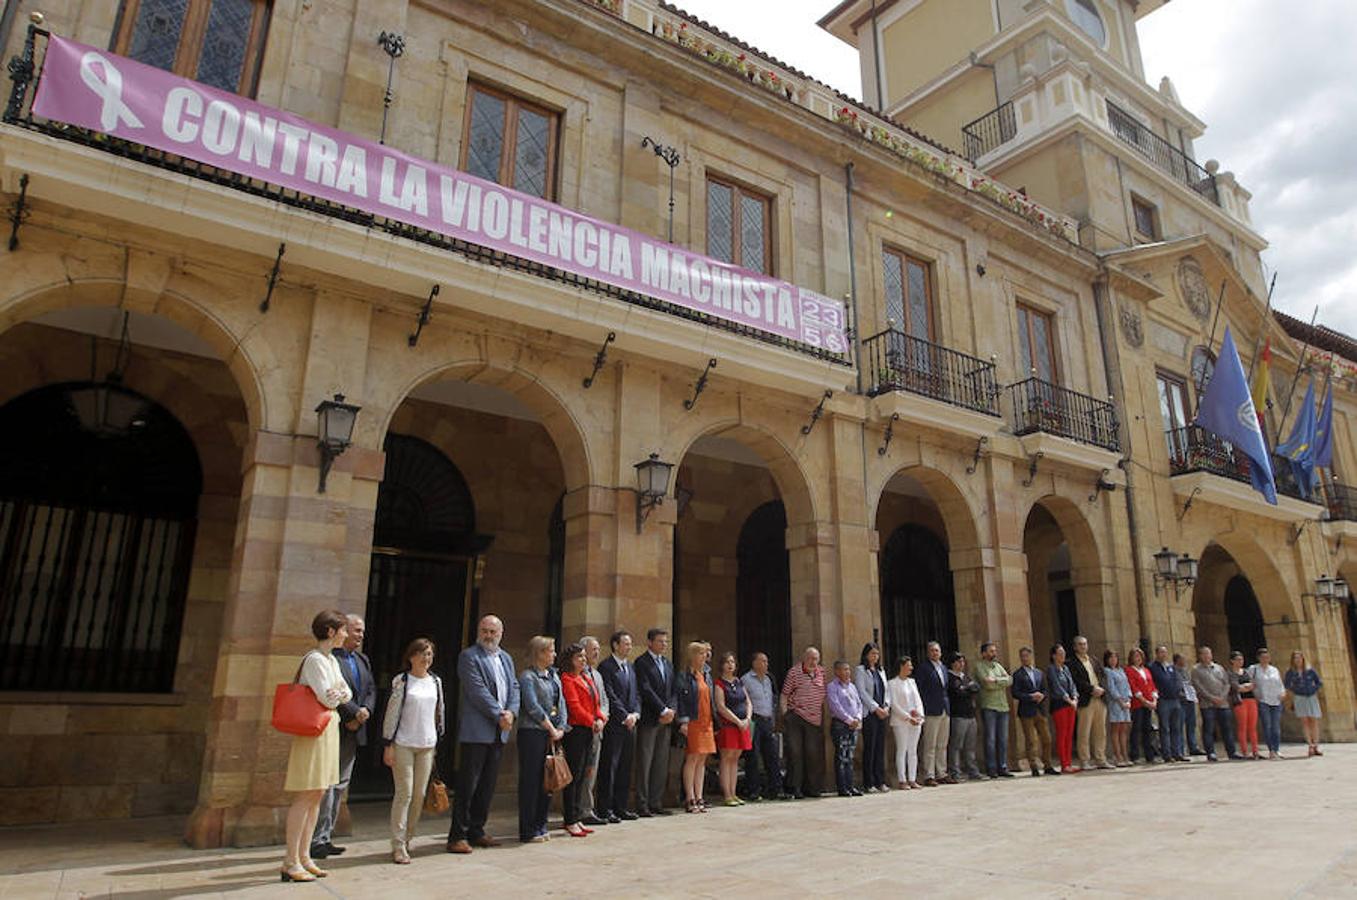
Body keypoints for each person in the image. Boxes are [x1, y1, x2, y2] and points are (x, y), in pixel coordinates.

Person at [281, 610, 352, 883]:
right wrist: (337, 694)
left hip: (327, 730)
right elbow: (330, 697)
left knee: (317, 794)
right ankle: (290, 859)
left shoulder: (331, 660)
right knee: (306, 795)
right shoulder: (314, 660)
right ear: (331, 631)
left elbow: (346, 693)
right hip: (314, 732)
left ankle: (303, 855)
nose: (345, 635)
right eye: (342, 629)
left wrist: (338, 694)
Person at [447, 615, 519, 854]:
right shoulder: (469, 656)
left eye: (493, 631)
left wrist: (512, 712)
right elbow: (477, 691)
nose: (489, 635)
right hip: (477, 731)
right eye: (484, 630)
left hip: (499, 732)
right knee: (468, 784)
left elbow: (514, 687)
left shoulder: (506, 658)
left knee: (487, 785)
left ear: (501, 633)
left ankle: (477, 830)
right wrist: (500, 714)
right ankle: (458, 835)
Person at [311, 613, 373, 862]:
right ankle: (316, 839)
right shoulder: (329, 658)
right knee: (325, 785)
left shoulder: (362, 659)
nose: (358, 635)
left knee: (340, 785)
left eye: (361, 631)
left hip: (355, 728)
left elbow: (368, 690)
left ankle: (326, 836)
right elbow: (332, 693)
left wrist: (365, 710)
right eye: (355, 630)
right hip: (336, 726)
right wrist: (352, 712)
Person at [381, 637, 445, 864]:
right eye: (421, 653)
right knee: (404, 793)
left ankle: (408, 838)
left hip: (427, 744)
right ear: (411, 656)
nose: (426, 658)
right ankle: (397, 843)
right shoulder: (402, 680)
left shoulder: (435, 681)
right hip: (404, 743)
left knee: (419, 795)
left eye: (429, 654)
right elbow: (392, 713)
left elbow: (439, 712)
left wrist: (438, 740)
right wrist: (387, 743)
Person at [517, 636, 566, 843]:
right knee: (532, 781)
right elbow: (531, 706)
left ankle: (541, 823)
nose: (554, 654)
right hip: (533, 733)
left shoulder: (554, 676)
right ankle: (528, 829)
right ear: (540, 653)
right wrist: (550, 726)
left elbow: (561, 702)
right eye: (551, 651)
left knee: (548, 781)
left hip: (552, 734)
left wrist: (561, 727)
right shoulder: (528, 677)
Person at [560, 641, 605, 837]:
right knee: (574, 775)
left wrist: (600, 718)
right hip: (577, 730)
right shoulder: (567, 678)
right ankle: (570, 818)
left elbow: (596, 702)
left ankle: (577, 816)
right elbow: (574, 706)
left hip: (590, 729)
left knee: (583, 775)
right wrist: (592, 721)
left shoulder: (586, 678)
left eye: (583, 657)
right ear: (570, 660)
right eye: (579, 657)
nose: (583, 660)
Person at [596, 630, 640, 822]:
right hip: (615, 724)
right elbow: (610, 695)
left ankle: (621, 807)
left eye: (630, 644)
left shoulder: (630, 667)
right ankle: (605, 809)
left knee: (625, 767)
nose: (629, 647)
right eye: (626, 644)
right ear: (615, 645)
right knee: (610, 767)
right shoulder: (606, 666)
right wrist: (624, 715)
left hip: (630, 724)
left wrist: (635, 714)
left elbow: (636, 694)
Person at [633, 628, 678, 816]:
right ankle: (642, 803)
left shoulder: (668, 664)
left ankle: (655, 801)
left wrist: (672, 709)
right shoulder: (641, 662)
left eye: (666, 642)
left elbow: (674, 690)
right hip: (650, 718)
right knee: (645, 762)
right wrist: (662, 709)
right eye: (660, 641)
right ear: (650, 642)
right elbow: (645, 689)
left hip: (666, 719)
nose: (664, 645)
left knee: (661, 761)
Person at [781, 647, 827, 799]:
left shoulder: (822, 672)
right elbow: (784, 694)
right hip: (796, 717)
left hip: (814, 719)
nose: (813, 662)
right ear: (804, 658)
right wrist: (785, 714)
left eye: (816, 659)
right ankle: (795, 788)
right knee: (796, 753)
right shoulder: (794, 672)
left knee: (813, 754)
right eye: (811, 658)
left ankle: (812, 788)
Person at [676, 641, 717, 813]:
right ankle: (690, 797)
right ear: (693, 656)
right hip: (693, 722)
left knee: (702, 761)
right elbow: (681, 700)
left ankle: (699, 796)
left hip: (706, 722)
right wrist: (683, 721)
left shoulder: (704, 675)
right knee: (692, 759)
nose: (704, 657)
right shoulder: (684, 676)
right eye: (701, 654)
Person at [741, 652, 786, 801]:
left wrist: (774, 720)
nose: (766, 664)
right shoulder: (746, 680)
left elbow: (773, 700)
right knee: (753, 756)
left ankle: (776, 788)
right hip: (754, 720)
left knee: (772, 756)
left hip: (767, 720)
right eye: (763, 661)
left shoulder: (768, 679)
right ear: (754, 663)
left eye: (767, 662)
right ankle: (753, 790)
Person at [578, 636, 612, 827]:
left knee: (592, 770)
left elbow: (604, 701)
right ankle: (578, 809)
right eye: (593, 650)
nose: (596, 653)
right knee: (581, 771)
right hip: (582, 729)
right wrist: (592, 720)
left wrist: (602, 718)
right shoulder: (575, 674)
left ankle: (587, 809)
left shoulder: (597, 675)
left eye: (598, 649)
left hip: (598, 729)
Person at [713, 650, 753, 806]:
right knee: (726, 758)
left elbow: (748, 702)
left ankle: (734, 793)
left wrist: (748, 718)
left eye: (732, 662)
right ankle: (727, 794)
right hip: (729, 725)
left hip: (743, 726)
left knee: (736, 759)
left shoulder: (738, 681)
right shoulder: (719, 684)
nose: (730, 665)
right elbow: (721, 707)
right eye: (727, 662)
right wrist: (738, 721)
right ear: (722, 665)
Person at [1012, 646, 1055, 777]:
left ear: (1031, 656)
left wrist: (1042, 695)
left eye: (1027, 656)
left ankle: (1047, 764)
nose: (1025, 658)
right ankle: (1033, 766)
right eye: (1022, 656)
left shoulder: (1039, 673)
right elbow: (1015, 693)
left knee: (1047, 738)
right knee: (1031, 740)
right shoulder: (1018, 674)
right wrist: (1030, 696)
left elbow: (1045, 689)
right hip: (1026, 710)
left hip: (1040, 710)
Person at [915, 640, 953, 786]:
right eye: (932, 650)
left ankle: (941, 772)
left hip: (944, 708)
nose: (935, 653)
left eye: (937, 650)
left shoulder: (943, 668)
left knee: (942, 743)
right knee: (930, 744)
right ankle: (929, 774)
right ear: (928, 652)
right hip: (931, 709)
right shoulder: (924, 668)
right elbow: (921, 689)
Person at [1069, 636, 1110, 770]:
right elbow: (1076, 681)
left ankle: (1100, 758)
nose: (1083, 647)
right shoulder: (1072, 663)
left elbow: (1102, 676)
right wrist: (1092, 689)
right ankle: (1084, 760)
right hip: (1086, 699)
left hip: (1100, 699)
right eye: (1080, 645)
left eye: (1085, 644)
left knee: (1100, 731)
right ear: (1075, 647)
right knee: (1084, 731)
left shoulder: (1094, 660)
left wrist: (1102, 688)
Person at [1192, 646, 1239, 762]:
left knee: (1227, 728)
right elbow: (1198, 687)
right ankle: (1211, 753)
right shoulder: (1196, 670)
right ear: (1200, 656)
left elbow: (1226, 683)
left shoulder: (1219, 668)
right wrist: (1212, 698)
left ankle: (1231, 752)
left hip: (1223, 703)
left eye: (1209, 654)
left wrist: (1222, 697)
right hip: (1207, 704)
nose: (1207, 656)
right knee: (1209, 729)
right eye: (1204, 654)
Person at [854, 643, 890, 793]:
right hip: (870, 714)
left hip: (883, 713)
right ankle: (869, 782)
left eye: (877, 654)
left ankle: (880, 780)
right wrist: (876, 708)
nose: (875, 657)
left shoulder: (881, 670)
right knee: (870, 747)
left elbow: (886, 691)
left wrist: (886, 706)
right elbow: (862, 692)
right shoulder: (861, 670)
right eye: (872, 654)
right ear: (866, 655)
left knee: (880, 748)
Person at [974, 642, 1013, 778]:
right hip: (989, 706)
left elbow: (1009, 680)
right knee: (990, 739)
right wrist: (1001, 682)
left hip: (1003, 706)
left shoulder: (998, 665)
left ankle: (1002, 766)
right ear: (984, 653)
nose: (994, 653)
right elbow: (986, 684)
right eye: (991, 651)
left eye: (994, 651)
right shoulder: (979, 666)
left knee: (1003, 739)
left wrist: (995, 681)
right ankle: (991, 768)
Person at [826, 660, 865, 797]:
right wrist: (849, 720)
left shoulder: (852, 686)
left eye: (848, 669)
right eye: (844, 669)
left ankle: (851, 785)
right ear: (837, 671)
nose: (847, 672)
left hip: (854, 725)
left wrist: (858, 718)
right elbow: (835, 706)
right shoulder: (832, 687)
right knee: (842, 756)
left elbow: (859, 703)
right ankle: (842, 787)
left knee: (850, 756)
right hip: (841, 725)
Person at [886, 655, 924, 789]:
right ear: (901, 666)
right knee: (902, 749)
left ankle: (912, 779)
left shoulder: (912, 682)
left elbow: (918, 700)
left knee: (913, 750)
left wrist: (919, 715)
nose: (911, 668)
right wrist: (908, 717)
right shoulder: (892, 683)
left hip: (915, 721)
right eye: (909, 665)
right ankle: (902, 780)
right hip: (901, 721)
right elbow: (894, 705)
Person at [946, 652, 982, 781]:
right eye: (959, 662)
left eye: (963, 662)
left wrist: (965, 688)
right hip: (958, 715)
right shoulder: (950, 677)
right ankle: (955, 772)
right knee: (956, 745)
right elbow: (957, 692)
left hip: (971, 715)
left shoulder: (965, 677)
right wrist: (967, 689)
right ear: (953, 663)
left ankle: (973, 770)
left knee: (970, 745)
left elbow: (977, 688)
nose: (962, 664)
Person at [1149, 645, 1186, 763]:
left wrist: (1178, 691)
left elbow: (1177, 680)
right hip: (1163, 700)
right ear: (1156, 654)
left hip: (1175, 699)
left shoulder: (1171, 667)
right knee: (1165, 728)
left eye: (1165, 652)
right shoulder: (1152, 667)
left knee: (1176, 727)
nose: (1163, 655)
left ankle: (1178, 752)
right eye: (1161, 652)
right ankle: (1167, 754)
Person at [1045, 644, 1078, 774]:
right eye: (1060, 653)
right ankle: (1064, 764)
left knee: (1070, 734)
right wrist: (1068, 699)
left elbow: (1072, 684)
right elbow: (1056, 686)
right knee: (1062, 734)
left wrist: (1075, 697)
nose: (1062, 656)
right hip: (1060, 704)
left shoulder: (1066, 669)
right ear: (1053, 656)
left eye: (1063, 653)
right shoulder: (1051, 669)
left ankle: (1069, 763)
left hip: (1071, 704)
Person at [1284, 650, 1323, 757]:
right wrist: (1295, 689)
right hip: (1300, 697)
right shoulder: (1291, 672)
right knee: (1305, 721)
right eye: (1295, 658)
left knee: (1314, 720)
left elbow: (1319, 682)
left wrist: (1314, 689)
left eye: (1299, 658)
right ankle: (1310, 745)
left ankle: (1316, 745)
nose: (1298, 660)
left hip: (1311, 696)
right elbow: (1287, 684)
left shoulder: (1310, 670)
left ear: (1303, 659)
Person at [1124, 647, 1157, 764]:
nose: (1137, 659)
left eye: (1139, 656)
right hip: (1138, 703)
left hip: (1149, 703)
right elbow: (1133, 687)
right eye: (1135, 656)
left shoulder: (1146, 670)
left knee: (1147, 728)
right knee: (1136, 728)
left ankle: (1150, 755)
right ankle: (1135, 755)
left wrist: (1154, 700)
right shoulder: (1129, 670)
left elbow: (1152, 685)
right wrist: (1145, 701)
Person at [1252, 648, 1286, 759]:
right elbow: (1249, 682)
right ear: (1259, 658)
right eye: (1263, 657)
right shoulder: (1254, 669)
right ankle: (1271, 749)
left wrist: (1283, 693)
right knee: (1267, 725)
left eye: (1267, 657)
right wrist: (1255, 694)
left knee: (1276, 726)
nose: (1266, 659)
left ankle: (1276, 749)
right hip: (1263, 700)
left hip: (1276, 700)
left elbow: (1280, 683)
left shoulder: (1274, 669)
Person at [1103, 650, 1132, 767]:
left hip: (1125, 702)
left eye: (1115, 657)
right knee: (1116, 729)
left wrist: (1128, 699)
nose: (1113, 660)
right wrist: (1120, 701)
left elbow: (1127, 685)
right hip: (1116, 703)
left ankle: (1125, 755)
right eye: (1111, 658)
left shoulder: (1121, 670)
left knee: (1124, 729)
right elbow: (1111, 688)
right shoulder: (1108, 671)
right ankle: (1117, 755)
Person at [1229, 650, 1258, 760]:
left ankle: (1255, 751)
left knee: (1252, 727)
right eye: (1238, 659)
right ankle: (1245, 751)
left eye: (1241, 659)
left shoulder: (1246, 672)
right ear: (1232, 661)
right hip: (1240, 702)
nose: (1240, 661)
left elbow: (1253, 684)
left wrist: (1245, 686)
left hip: (1251, 700)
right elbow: (1236, 687)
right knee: (1242, 726)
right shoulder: (1231, 673)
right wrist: (1245, 687)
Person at [1175, 652, 1204, 757]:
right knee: (1180, 725)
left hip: (1190, 700)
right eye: (1182, 659)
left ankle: (1193, 746)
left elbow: (1190, 684)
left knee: (1192, 724)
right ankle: (1181, 749)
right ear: (1177, 660)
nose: (1185, 661)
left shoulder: (1186, 671)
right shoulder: (1174, 671)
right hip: (1181, 700)